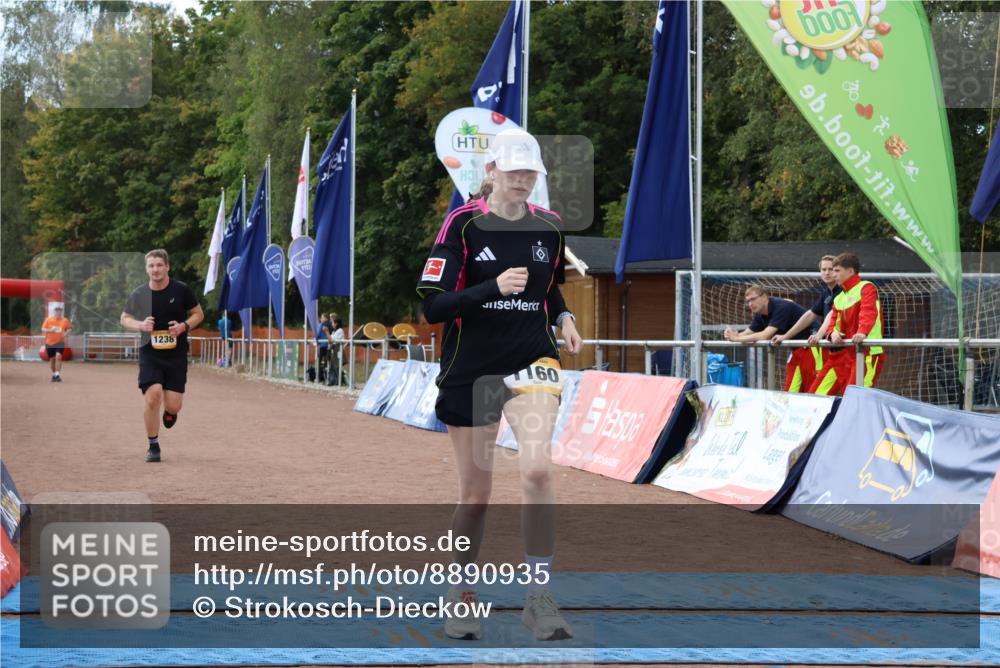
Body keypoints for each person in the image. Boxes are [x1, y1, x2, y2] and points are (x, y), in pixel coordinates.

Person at [416, 128, 583, 642]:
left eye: (530, 174)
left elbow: (548, 282)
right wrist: (491, 288)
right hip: (474, 367)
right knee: (477, 496)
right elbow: (433, 305)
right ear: (490, 172)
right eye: (513, 173)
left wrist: (564, 315)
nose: (522, 182)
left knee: (536, 471)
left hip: (533, 360)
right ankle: (462, 594)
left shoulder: (550, 226)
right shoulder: (462, 225)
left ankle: (538, 597)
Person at [120, 249, 204, 462]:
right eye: (151, 266)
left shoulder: (181, 290)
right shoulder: (139, 293)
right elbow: (124, 318)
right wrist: (139, 324)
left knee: (174, 404)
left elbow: (198, 314)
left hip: (176, 355)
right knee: (153, 394)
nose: (155, 269)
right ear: (146, 269)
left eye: (159, 265)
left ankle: (170, 413)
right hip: (150, 353)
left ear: (167, 267)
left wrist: (183, 326)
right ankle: (153, 445)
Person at [808, 252, 884, 396]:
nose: (832, 274)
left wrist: (862, 332)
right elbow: (832, 324)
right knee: (814, 397)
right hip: (841, 355)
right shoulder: (839, 298)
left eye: (837, 270)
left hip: (866, 353)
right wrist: (832, 334)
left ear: (850, 271)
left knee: (855, 399)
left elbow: (868, 313)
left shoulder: (866, 287)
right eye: (829, 270)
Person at [723, 285, 814, 391]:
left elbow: (765, 335)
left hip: (813, 346)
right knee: (790, 391)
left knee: (812, 390)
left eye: (753, 299)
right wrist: (732, 335)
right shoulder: (760, 313)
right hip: (798, 350)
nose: (750, 304)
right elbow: (749, 332)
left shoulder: (781, 306)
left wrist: (736, 338)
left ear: (765, 296)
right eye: (748, 301)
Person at [770, 255, 841, 391]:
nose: (827, 272)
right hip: (833, 353)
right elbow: (809, 315)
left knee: (852, 397)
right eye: (824, 269)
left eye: (831, 269)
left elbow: (832, 315)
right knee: (818, 395)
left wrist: (819, 335)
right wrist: (785, 336)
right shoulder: (826, 293)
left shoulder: (843, 292)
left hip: (846, 351)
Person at [41, 305, 71, 382]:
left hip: (60, 342)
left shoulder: (65, 320)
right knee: (52, 359)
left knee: (58, 357)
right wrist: (50, 330)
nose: (58, 312)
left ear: (61, 312)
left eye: (59, 310)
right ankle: (54, 374)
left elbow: (69, 329)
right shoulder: (48, 319)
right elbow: (43, 328)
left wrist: (66, 333)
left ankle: (57, 374)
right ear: (54, 311)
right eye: (56, 310)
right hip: (49, 342)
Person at [316, 313, 331, 383]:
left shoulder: (322, 325)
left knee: (320, 363)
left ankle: (320, 378)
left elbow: (317, 334)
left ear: (325, 318)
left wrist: (316, 341)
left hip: (322, 346)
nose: (320, 319)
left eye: (322, 317)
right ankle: (327, 378)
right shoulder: (330, 324)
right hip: (328, 345)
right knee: (327, 362)